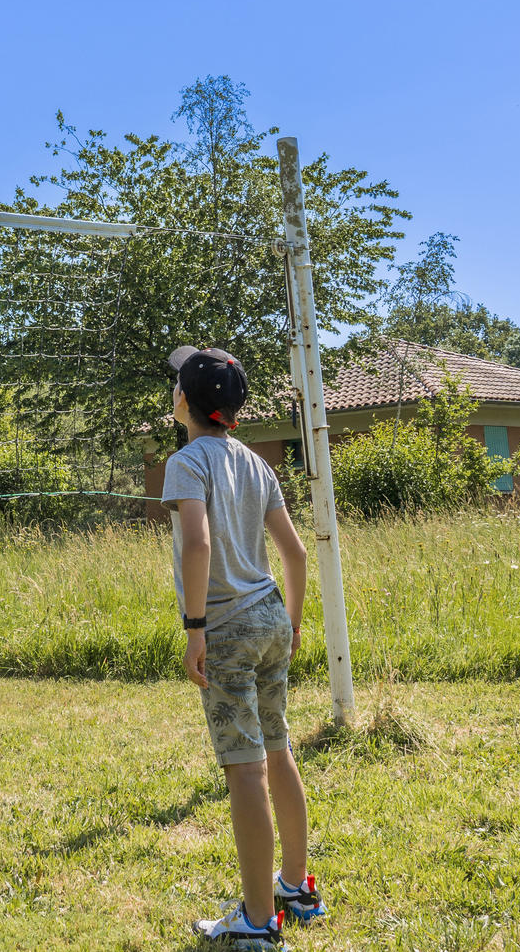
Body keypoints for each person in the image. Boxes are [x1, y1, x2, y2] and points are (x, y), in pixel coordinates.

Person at [161, 345, 327, 944]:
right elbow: (296, 553)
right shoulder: (257, 463)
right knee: (278, 750)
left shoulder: (186, 462)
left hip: (227, 628)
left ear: (184, 401)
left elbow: (198, 544)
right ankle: (296, 888)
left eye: (176, 384)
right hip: (273, 617)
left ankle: (257, 922)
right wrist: (295, 621)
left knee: (244, 770)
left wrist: (195, 628)